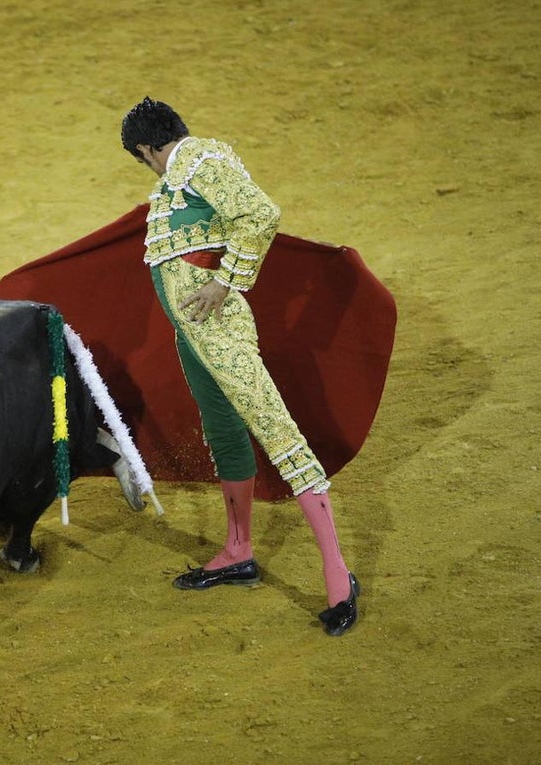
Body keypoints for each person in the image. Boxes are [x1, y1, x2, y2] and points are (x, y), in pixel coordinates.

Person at [119, 97, 359, 636]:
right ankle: (238, 551)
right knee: (224, 431)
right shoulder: (176, 179)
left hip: (219, 327)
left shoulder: (202, 159)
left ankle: (339, 576)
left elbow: (261, 213)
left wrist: (225, 281)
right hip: (194, 332)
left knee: (277, 430)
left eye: (143, 158)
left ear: (147, 147)